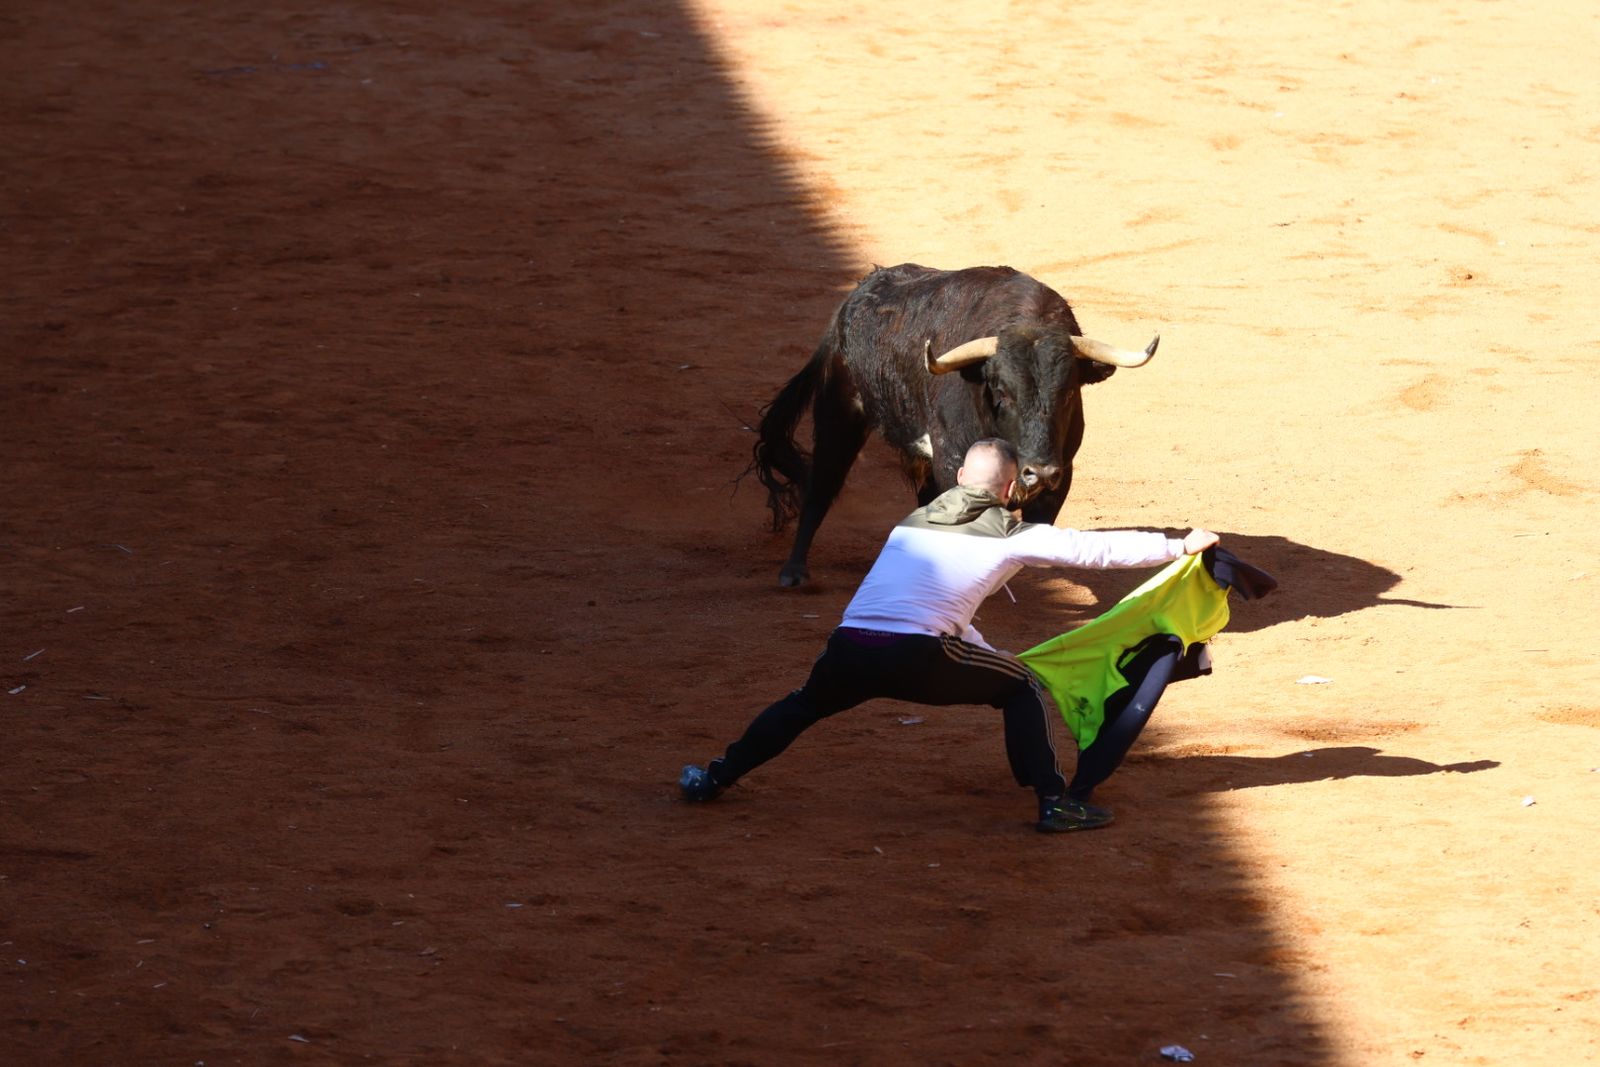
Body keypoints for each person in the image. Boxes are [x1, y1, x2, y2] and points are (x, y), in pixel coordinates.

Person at [680, 438, 1219, 833]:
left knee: (802, 705)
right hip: (919, 653)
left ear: (959, 476)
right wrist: (1177, 546)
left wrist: (986, 653)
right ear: (1011, 489)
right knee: (1021, 686)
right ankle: (1056, 803)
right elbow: (1090, 550)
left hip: (851, 643)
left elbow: (935, 607)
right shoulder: (1010, 533)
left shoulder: (911, 523)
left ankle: (715, 777)